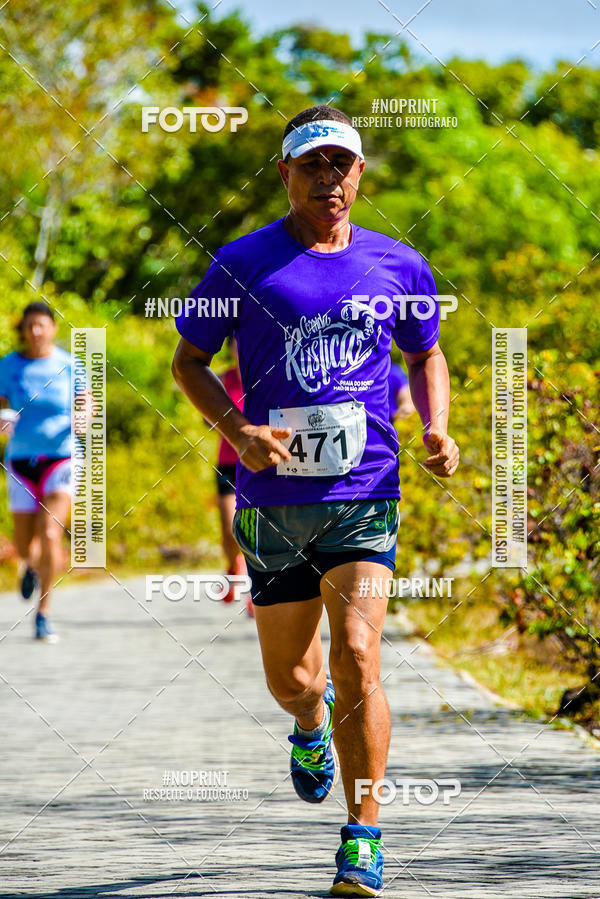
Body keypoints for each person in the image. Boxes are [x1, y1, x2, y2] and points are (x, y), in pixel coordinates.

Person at [172, 105, 459, 896]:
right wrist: (239, 430)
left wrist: (436, 427)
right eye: (312, 166)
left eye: (342, 165)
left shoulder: (400, 264)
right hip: (272, 497)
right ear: (285, 175)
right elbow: (188, 362)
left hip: (366, 488)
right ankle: (308, 724)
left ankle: (362, 835)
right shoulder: (241, 263)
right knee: (294, 680)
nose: (328, 180)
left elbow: (427, 351)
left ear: (361, 174)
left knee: (360, 653)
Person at [0, 302, 74, 642]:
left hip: (61, 456)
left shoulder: (69, 364)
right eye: (29, 326)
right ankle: (29, 566)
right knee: (24, 542)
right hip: (21, 458)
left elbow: (86, 400)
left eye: (41, 325)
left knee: (50, 534)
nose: (35, 332)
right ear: (23, 330)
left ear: (53, 328)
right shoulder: (8, 365)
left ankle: (43, 613)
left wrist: (85, 416)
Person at [214, 336, 253, 615]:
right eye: (236, 345)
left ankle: (257, 589)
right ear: (229, 349)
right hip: (228, 464)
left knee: (255, 532)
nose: (241, 350)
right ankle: (232, 565)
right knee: (230, 529)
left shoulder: (264, 377)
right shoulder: (220, 380)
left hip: (260, 464)